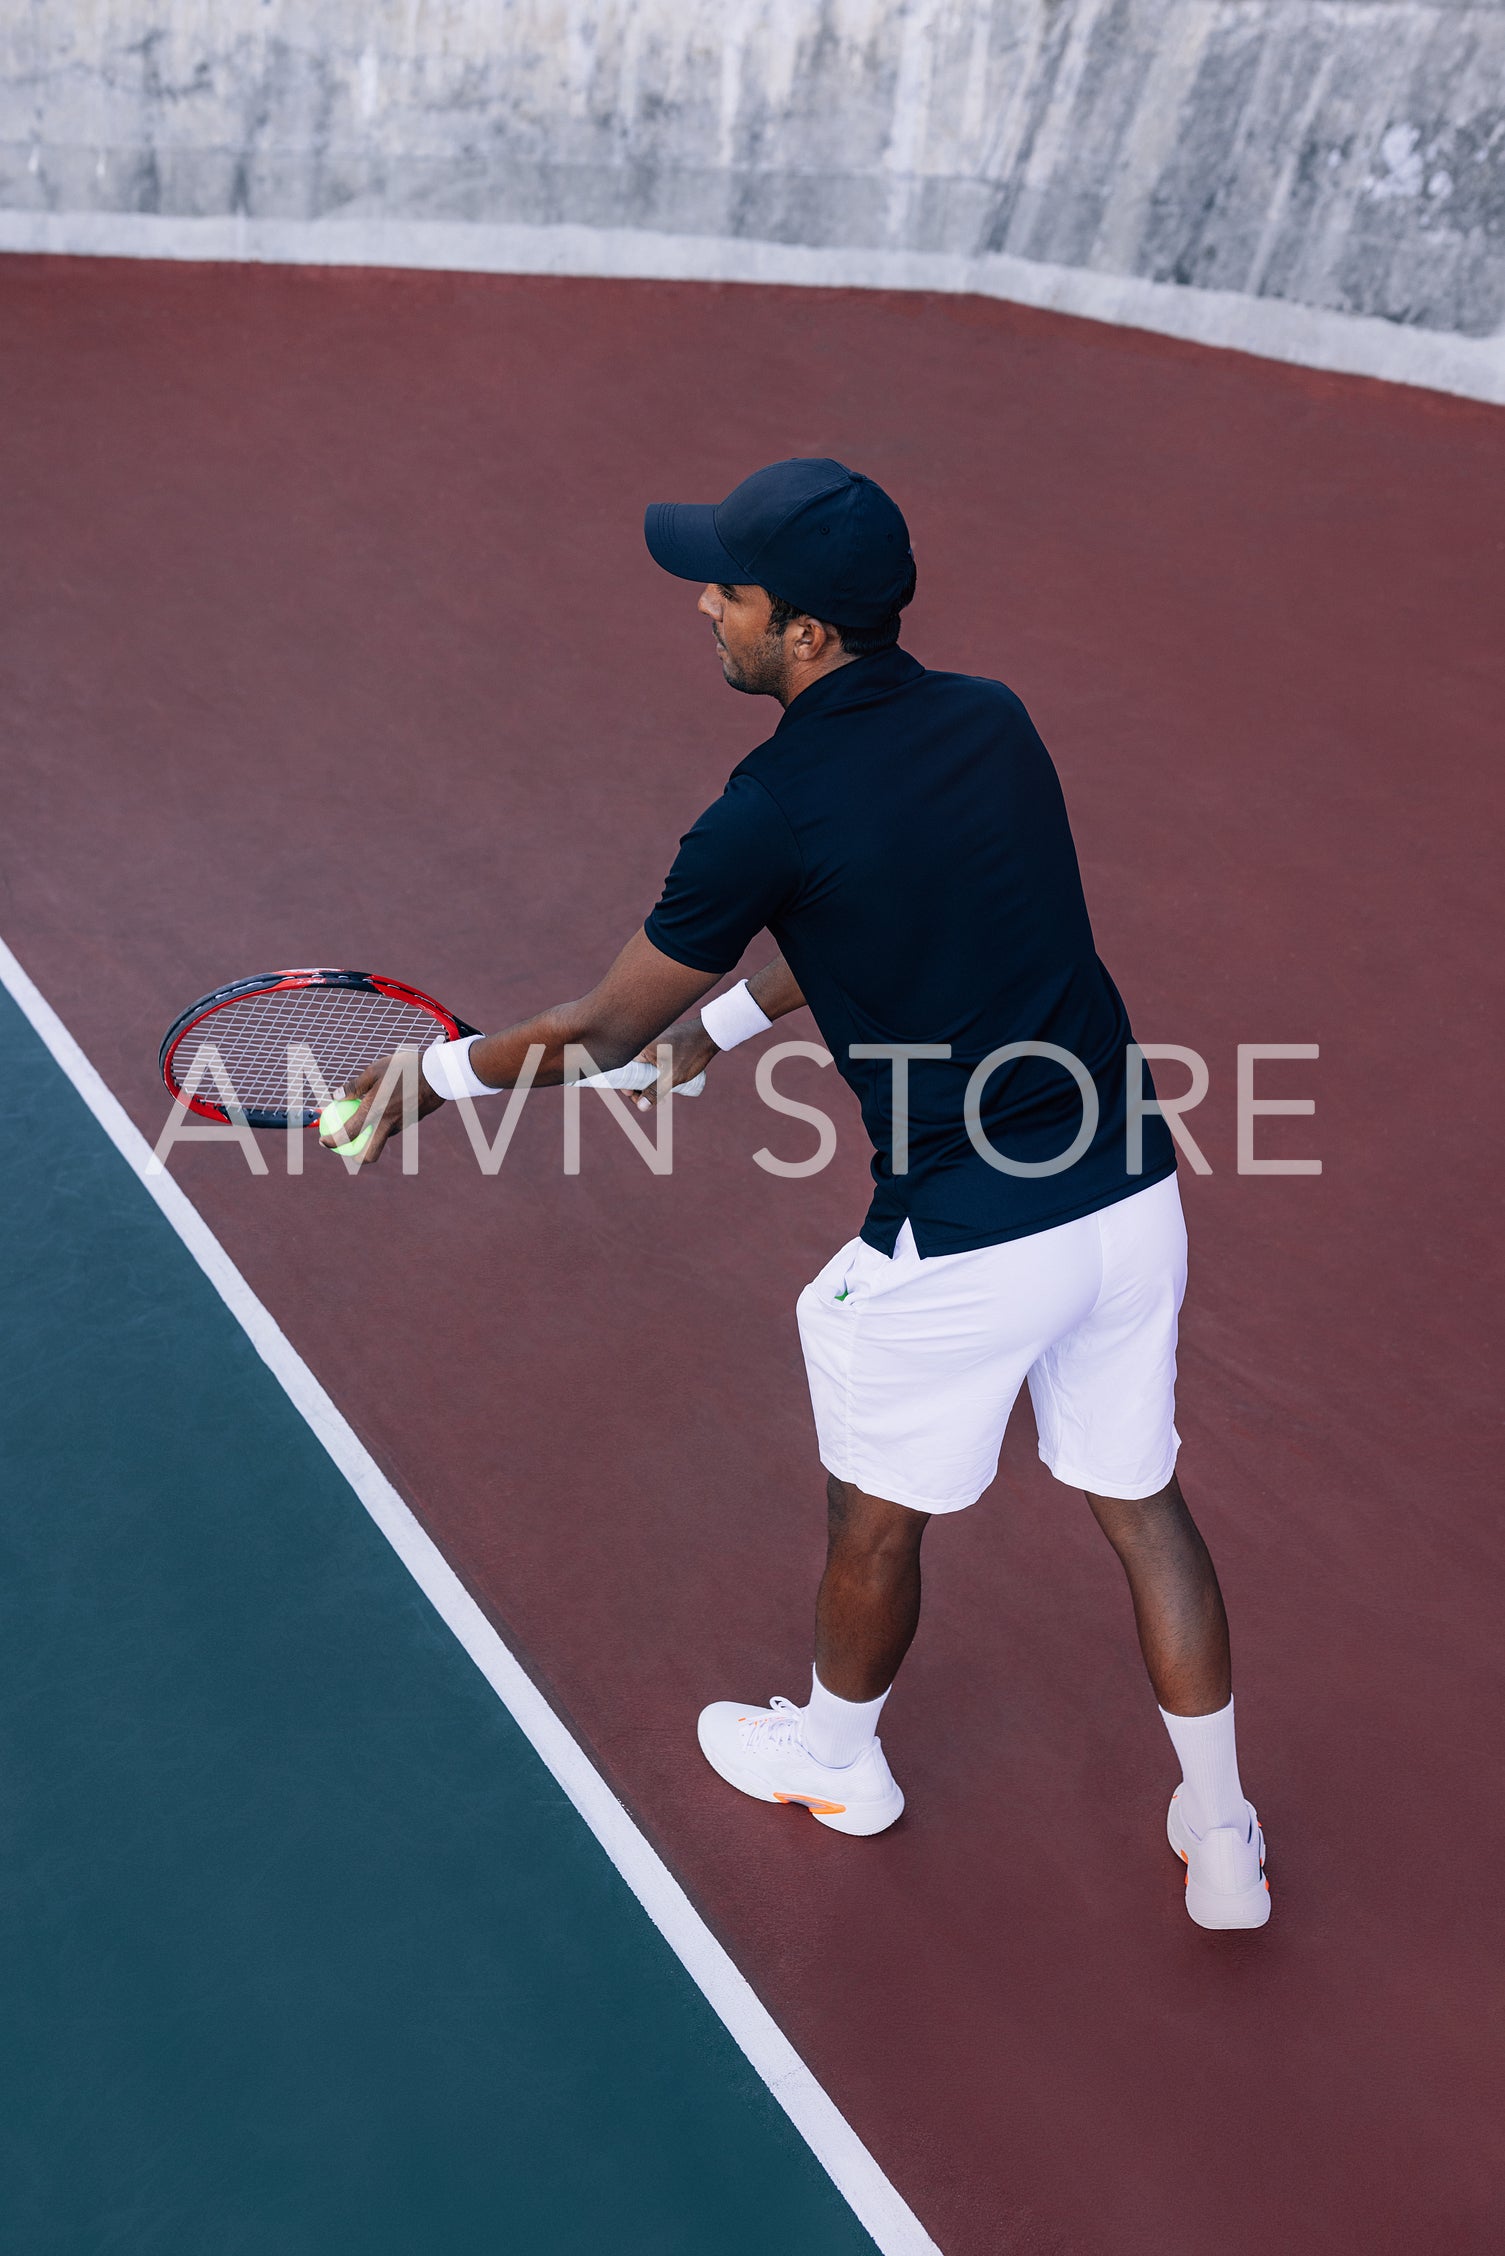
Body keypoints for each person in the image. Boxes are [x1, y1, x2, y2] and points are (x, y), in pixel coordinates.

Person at [337, 458, 1269, 1931]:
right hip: (1130, 1201)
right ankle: (1222, 1838)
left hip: (961, 1244)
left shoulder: (762, 809)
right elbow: (866, 910)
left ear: (809, 636)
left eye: (730, 590)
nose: (704, 606)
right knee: (1142, 1506)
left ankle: (838, 1764)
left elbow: (598, 1029)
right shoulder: (993, 722)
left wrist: (432, 1081)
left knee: (872, 1523)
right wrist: (721, 1034)